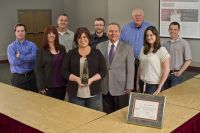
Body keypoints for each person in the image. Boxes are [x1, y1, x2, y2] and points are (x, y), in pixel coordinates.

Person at [61, 27, 107, 110]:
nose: (82, 40)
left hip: (94, 93)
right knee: (78, 117)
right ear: (76, 39)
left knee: (93, 117)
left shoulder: (97, 53)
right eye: (79, 37)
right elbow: (64, 71)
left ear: (89, 38)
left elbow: (103, 71)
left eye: (84, 37)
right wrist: (77, 79)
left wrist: (91, 79)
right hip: (75, 93)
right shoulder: (70, 54)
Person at [96, 22, 134, 114]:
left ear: (120, 32)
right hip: (104, 86)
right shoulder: (99, 46)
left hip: (122, 88)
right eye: (111, 31)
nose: (113, 34)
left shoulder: (127, 48)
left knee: (120, 114)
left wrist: (129, 86)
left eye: (116, 31)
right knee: (107, 114)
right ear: (106, 32)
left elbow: (131, 68)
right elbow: (97, 67)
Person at [120, 8, 151, 91]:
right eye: (135, 16)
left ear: (143, 16)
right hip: (129, 60)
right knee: (130, 82)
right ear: (132, 17)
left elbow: (154, 43)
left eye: (139, 15)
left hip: (145, 60)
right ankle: (130, 100)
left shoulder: (150, 27)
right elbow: (121, 44)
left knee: (142, 82)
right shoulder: (125, 28)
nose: (137, 17)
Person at [136, 26, 170, 95]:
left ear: (156, 36)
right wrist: (137, 83)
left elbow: (167, 70)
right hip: (142, 83)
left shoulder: (162, 50)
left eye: (151, 35)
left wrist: (160, 86)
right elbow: (140, 67)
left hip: (154, 85)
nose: (149, 37)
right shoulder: (143, 49)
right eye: (147, 35)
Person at [35, 25, 67, 100]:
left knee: (61, 106)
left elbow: (65, 65)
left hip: (61, 84)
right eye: (49, 33)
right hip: (48, 86)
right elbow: (38, 70)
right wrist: (41, 87)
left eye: (54, 33)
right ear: (46, 35)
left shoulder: (62, 48)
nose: (51, 35)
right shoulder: (40, 51)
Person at [7, 23, 37, 92]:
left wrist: (20, 56)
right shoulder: (11, 47)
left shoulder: (32, 45)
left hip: (31, 76)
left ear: (25, 32)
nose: (20, 33)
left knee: (34, 99)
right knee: (19, 100)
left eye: (22, 31)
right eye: (18, 31)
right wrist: (28, 58)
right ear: (15, 33)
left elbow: (34, 58)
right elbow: (13, 61)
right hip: (17, 78)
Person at [163, 21, 192, 89]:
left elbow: (188, 60)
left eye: (175, 29)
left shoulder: (184, 43)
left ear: (178, 30)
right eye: (171, 29)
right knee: (165, 94)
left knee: (174, 96)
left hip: (177, 75)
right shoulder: (165, 44)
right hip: (166, 74)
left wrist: (180, 72)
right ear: (168, 30)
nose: (173, 31)